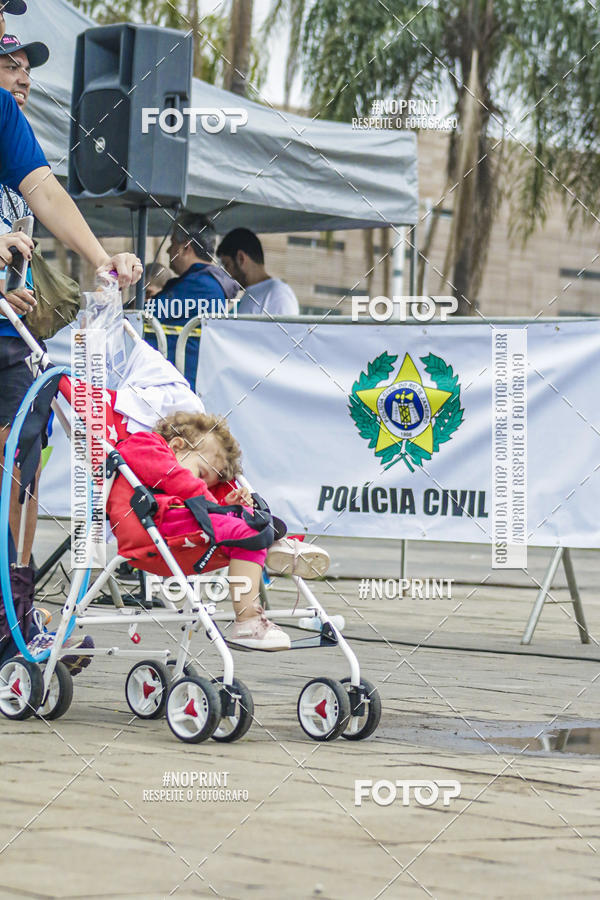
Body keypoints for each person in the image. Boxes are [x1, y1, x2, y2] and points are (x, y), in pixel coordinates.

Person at [106, 411, 330, 650]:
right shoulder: (144, 444)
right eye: (202, 473)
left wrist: (229, 505)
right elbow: (177, 479)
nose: (203, 484)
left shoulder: (188, 476)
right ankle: (248, 619)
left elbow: (195, 497)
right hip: (153, 525)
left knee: (247, 523)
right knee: (245, 529)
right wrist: (216, 505)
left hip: (178, 530)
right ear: (177, 445)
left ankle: (272, 541)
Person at [150, 213, 238, 386]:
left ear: (186, 248)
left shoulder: (200, 285)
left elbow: (145, 314)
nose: (168, 251)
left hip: (182, 384)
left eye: (173, 244)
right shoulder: (204, 282)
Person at [216, 228, 299, 316]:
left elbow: (288, 329)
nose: (226, 273)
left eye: (227, 265)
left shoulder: (278, 294)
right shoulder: (251, 294)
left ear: (241, 259)